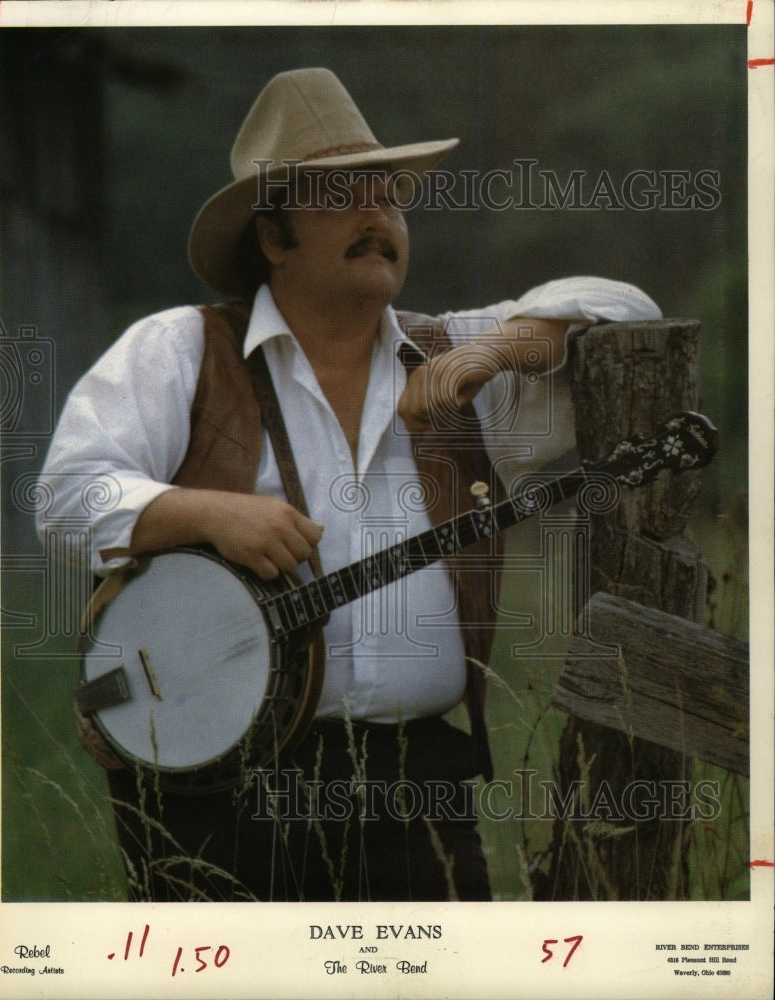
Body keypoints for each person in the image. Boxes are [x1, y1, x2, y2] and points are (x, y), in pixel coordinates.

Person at [38, 67, 661, 902]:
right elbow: (64, 496)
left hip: (422, 787)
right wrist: (206, 512)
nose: (377, 217)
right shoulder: (180, 348)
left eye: (389, 197)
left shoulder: (458, 359)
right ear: (273, 238)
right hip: (218, 789)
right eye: (342, 196)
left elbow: (632, 311)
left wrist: (497, 348)